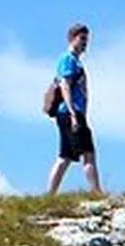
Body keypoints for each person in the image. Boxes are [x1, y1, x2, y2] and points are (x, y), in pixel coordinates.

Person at [47, 23, 102, 196]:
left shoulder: (75, 61)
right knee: (88, 153)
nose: (85, 43)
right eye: (82, 39)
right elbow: (65, 85)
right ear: (72, 39)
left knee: (65, 156)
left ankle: (50, 194)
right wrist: (73, 113)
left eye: (86, 40)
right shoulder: (68, 60)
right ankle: (96, 191)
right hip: (71, 112)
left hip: (70, 112)